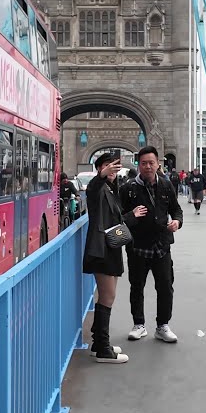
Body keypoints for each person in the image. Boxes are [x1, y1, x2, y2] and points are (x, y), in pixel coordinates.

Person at [120, 146, 184, 344]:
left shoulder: (166, 186)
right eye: (144, 163)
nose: (148, 167)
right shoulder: (128, 189)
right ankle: (138, 324)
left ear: (158, 164)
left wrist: (177, 222)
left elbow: (177, 210)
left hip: (161, 246)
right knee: (136, 286)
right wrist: (132, 216)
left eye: (151, 163)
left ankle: (162, 325)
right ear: (138, 165)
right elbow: (118, 220)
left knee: (165, 286)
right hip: (137, 247)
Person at [81, 153, 130, 363]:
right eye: (108, 166)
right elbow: (91, 189)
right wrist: (102, 175)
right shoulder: (97, 189)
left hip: (111, 246)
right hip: (101, 250)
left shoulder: (111, 189)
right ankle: (103, 349)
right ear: (100, 168)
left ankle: (98, 343)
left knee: (106, 296)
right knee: (108, 296)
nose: (112, 170)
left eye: (114, 167)